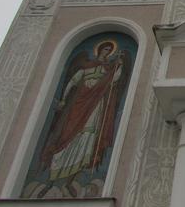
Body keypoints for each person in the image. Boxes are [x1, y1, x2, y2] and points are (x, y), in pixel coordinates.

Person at [34, 41, 126, 198]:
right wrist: (63, 99)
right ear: (99, 50)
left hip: (95, 104)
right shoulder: (87, 66)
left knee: (88, 136)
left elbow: (114, 80)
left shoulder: (108, 68)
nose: (106, 52)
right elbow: (72, 82)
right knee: (67, 137)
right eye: (105, 49)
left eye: (108, 50)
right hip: (79, 104)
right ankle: (50, 182)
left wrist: (120, 66)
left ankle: (69, 182)